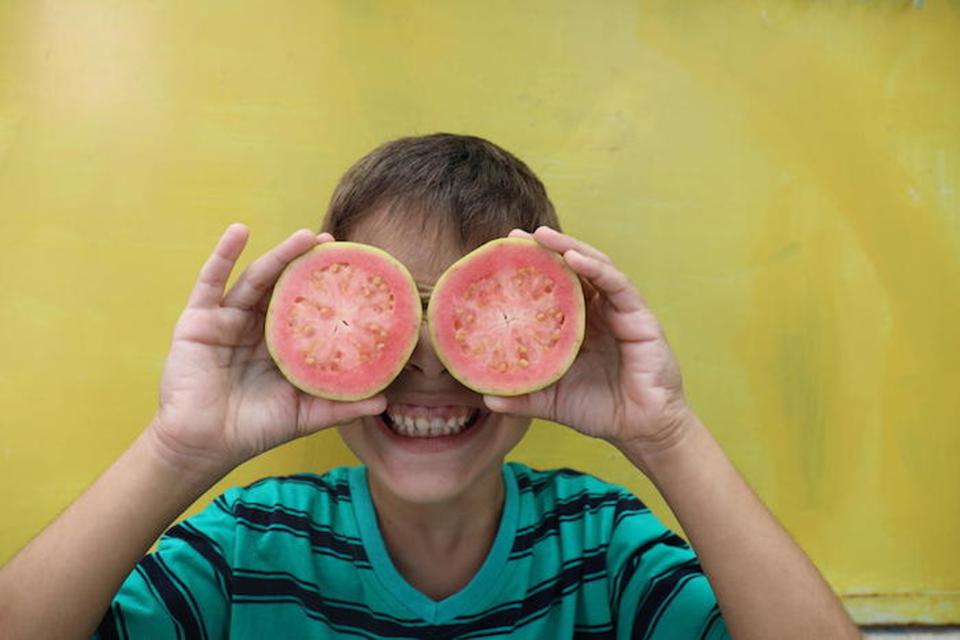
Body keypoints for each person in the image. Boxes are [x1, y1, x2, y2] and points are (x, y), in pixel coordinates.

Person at [0, 134, 861, 639]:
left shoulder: (606, 550)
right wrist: (176, 447)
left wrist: (665, 433)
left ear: (561, 331)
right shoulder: (245, 548)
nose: (430, 364)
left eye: (476, 316)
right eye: (394, 314)